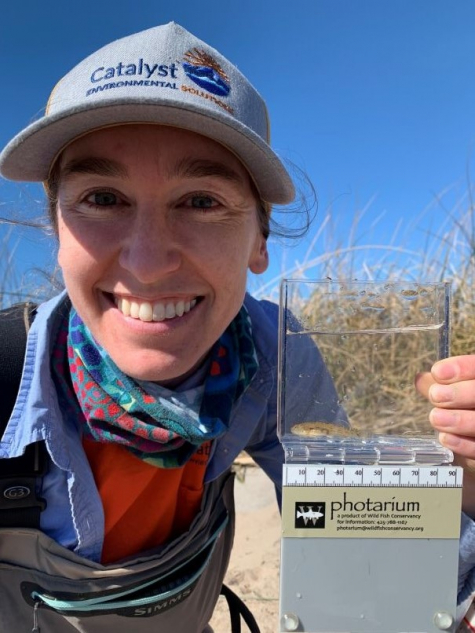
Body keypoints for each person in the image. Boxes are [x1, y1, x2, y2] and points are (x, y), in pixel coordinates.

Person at [0, 20, 474, 633]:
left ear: (260, 241)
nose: (147, 262)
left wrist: (454, 498)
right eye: (102, 198)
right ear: (56, 228)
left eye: (200, 201)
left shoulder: (274, 358)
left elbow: (367, 557)